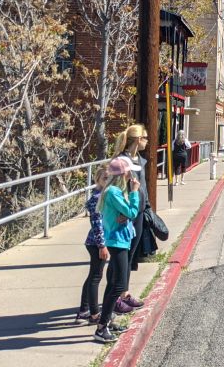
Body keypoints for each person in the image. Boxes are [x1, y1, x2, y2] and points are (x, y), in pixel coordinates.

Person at [94, 156, 141, 343]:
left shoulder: (115, 191)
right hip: (117, 242)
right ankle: (101, 327)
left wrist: (126, 214)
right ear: (123, 174)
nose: (132, 175)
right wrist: (135, 193)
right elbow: (131, 212)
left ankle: (108, 321)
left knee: (113, 285)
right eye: (129, 172)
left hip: (120, 240)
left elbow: (127, 214)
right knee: (119, 285)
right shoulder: (114, 192)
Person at [113, 124, 150, 307]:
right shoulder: (121, 161)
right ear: (137, 139)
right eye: (145, 137)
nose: (147, 141)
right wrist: (121, 211)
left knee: (131, 253)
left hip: (138, 211)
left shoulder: (139, 159)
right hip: (125, 213)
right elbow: (114, 187)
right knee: (122, 256)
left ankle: (124, 293)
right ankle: (117, 295)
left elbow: (141, 186)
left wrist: (147, 205)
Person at [75, 166, 110, 324]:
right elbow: (97, 224)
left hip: (96, 242)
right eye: (104, 178)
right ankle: (94, 314)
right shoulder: (97, 198)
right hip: (96, 243)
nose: (108, 181)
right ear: (97, 180)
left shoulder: (103, 195)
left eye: (110, 178)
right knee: (96, 277)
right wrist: (102, 245)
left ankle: (83, 310)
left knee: (92, 276)